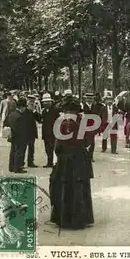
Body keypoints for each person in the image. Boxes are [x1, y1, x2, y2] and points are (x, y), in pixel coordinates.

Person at [49, 97, 94, 230]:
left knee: (63, 186)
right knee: (80, 187)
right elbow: (88, 141)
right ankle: (81, 218)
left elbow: (58, 144)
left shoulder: (62, 123)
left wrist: (59, 155)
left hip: (65, 160)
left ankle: (64, 218)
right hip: (80, 158)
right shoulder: (84, 122)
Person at [7, 98, 28, 173]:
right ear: (22, 107)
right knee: (19, 152)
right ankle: (18, 168)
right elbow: (21, 129)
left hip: (13, 136)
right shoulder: (20, 116)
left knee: (13, 151)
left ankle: (11, 167)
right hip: (19, 137)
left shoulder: (12, 114)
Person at [40, 93, 60, 168]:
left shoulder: (55, 110)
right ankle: (49, 162)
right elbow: (42, 120)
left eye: (47, 102)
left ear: (51, 102)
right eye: (44, 102)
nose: (46, 103)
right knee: (47, 148)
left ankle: (55, 162)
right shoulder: (44, 111)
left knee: (54, 148)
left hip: (53, 132)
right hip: (46, 133)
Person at [82, 93, 103, 162]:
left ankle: (90, 157)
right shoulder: (82, 107)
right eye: (88, 99)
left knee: (92, 142)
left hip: (92, 127)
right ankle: (85, 156)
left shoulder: (96, 106)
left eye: (91, 99)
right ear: (85, 99)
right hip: (84, 127)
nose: (90, 100)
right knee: (84, 142)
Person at [23, 96, 41, 168]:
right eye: (30, 102)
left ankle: (30, 162)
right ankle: (21, 162)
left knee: (31, 148)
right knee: (23, 148)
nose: (31, 103)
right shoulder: (24, 111)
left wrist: (34, 111)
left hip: (32, 132)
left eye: (33, 102)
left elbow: (39, 120)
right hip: (24, 132)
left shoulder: (34, 111)